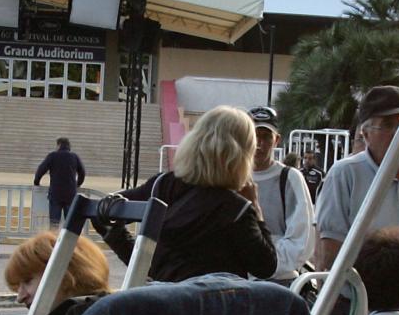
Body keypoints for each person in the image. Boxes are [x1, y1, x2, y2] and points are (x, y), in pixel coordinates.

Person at [97, 105, 275, 282]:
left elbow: (102, 213)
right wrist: (256, 207)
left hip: (161, 302)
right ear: (241, 155)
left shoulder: (163, 185)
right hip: (213, 306)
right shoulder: (237, 209)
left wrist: (142, 265)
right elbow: (266, 267)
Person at [314, 85, 399, 315]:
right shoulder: (345, 174)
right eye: (387, 125)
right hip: (355, 314)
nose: (398, 132)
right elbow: (329, 255)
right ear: (365, 134)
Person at [249, 106, 314, 281]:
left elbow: (302, 238)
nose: (259, 143)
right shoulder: (230, 177)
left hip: (280, 281)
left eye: (266, 137)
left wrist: (267, 263)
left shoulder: (290, 178)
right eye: (255, 136)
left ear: (276, 140)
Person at [33, 137, 86, 228]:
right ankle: (69, 241)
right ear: (69, 146)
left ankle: (54, 241)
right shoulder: (74, 157)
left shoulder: (53, 156)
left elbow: (41, 169)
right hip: (70, 195)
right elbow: (82, 172)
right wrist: (78, 184)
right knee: (69, 224)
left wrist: (36, 182)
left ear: (59, 145)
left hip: (55, 194)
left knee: (54, 224)